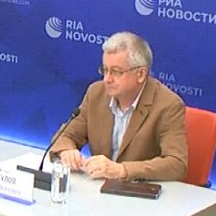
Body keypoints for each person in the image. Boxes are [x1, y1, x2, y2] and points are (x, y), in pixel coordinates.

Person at [49, 31, 188, 181]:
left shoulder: (168, 105)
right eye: (105, 70)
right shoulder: (96, 93)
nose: (107, 79)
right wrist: (67, 151)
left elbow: (176, 164)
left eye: (116, 72)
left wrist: (122, 170)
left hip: (137, 191)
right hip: (97, 188)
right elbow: (65, 136)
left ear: (141, 74)